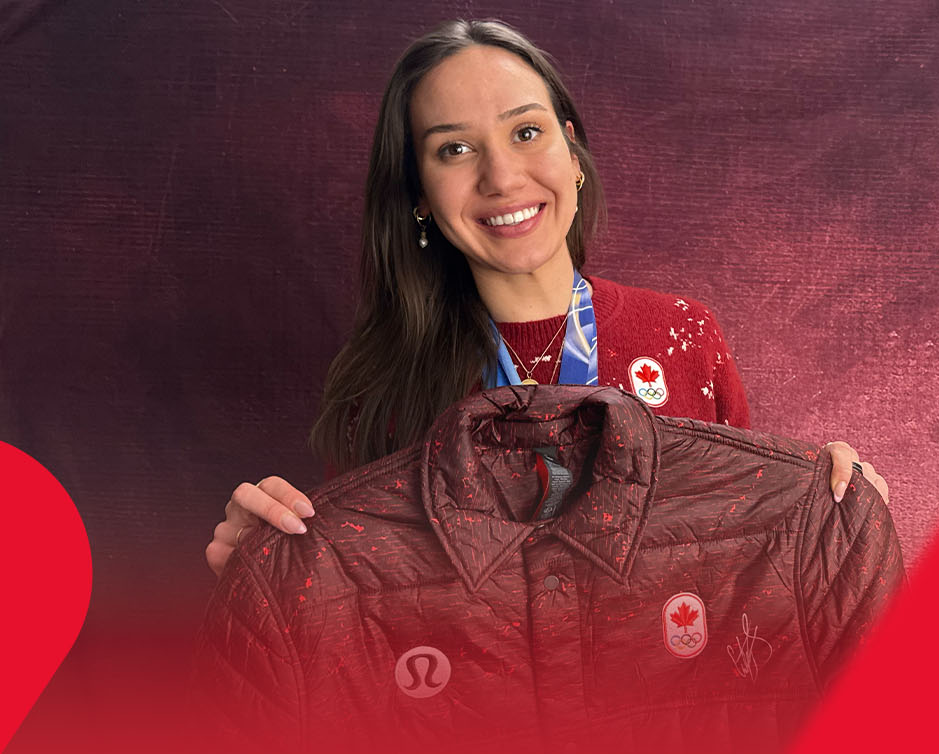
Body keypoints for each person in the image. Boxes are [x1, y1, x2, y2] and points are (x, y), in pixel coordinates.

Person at [204, 18, 889, 578]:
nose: (501, 176)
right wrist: (264, 565)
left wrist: (827, 506)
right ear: (417, 195)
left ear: (571, 150)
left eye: (526, 132)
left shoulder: (684, 334)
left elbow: (746, 561)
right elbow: (353, 611)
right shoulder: (380, 387)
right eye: (453, 150)